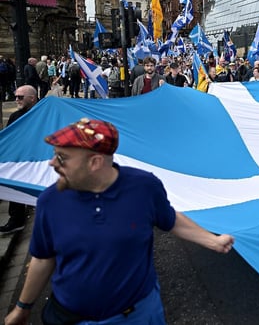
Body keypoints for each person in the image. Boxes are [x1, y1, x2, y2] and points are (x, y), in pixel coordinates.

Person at [3, 118, 234, 324]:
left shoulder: (144, 186)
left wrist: (212, 241)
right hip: (73, 317)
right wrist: (23, 307)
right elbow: (43, 259)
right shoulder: (50, 201)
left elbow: (169, 218)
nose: (52, 163)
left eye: (62, 157)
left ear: (94, 162)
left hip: (140, 315)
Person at [0, 85, 38, 236]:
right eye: (16, 96)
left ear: (32, 98)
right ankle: (16, 219)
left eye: (20, 97)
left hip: (41, 158)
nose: (16, 100)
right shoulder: (15, 116)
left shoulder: (44, 112)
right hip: (22, 158)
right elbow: (9, 138)